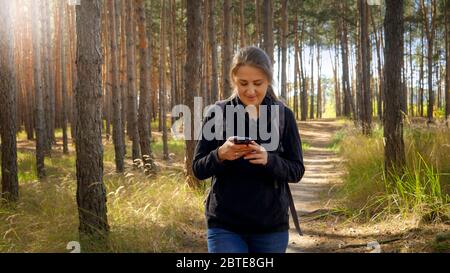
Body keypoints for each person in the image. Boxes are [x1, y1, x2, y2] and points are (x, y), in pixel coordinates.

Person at [192, 46, 305, 253]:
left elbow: (297, 170)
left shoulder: (283, 116)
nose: (250, 91)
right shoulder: (217, 113)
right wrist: (220, 154)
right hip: (224, 225)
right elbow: (198, 169)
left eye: (258, 83)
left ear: (268, 81)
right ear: (234, 80)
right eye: (243, 83)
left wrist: (268, 160)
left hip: (271, 227)